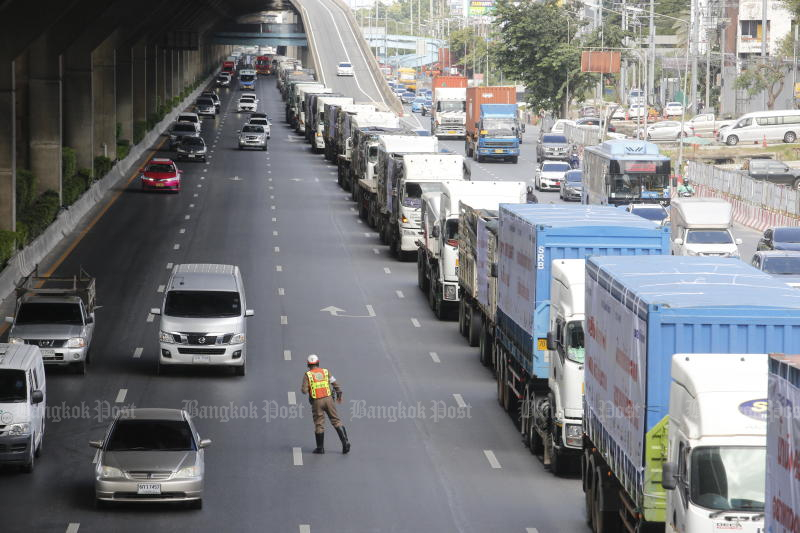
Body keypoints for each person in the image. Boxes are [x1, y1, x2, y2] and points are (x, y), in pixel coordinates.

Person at [301, 354, 350, 454]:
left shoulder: (308, 375)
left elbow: (304, 391)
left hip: (317, 402)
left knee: (319, 423)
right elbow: (335, 384)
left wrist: (310, 386)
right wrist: (339, 395)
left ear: (308, 364)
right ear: (318, 362)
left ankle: (320, 448)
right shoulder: (325, 372)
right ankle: (345, 442)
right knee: (336, 420)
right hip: (329, 400)